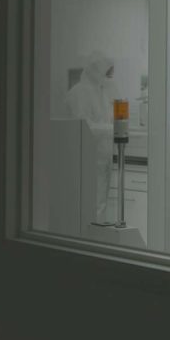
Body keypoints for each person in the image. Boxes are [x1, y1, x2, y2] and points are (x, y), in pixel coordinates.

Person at [66, 51, 118, 223]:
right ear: (96, 70)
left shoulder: (101, 91)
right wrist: (112, 129)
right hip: (88, 157)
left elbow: (106, 119)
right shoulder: (78, 93)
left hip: (104, 154)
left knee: (101, 202)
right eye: (106, 71)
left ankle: (98, 236)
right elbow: (84, 126)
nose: (109, 75)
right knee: (89, 203)